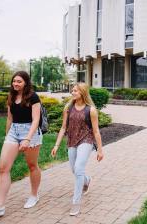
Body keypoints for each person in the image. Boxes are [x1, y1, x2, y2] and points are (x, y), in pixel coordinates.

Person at [0, 71, 43, 218]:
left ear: (26, 83)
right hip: (14, 132)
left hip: (30, 131)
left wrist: (27, 139)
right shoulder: (11, 96)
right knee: (3, 168)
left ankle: (34, 195)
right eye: (14, 81)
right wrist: (7, 135)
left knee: (32, 165)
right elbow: (9, 118)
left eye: (19, 81)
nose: (16, 84)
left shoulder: (33, 97)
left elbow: (36, 119)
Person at [51, 83, 104, 216]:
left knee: (79, 168)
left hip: (86, 141)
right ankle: (87, 180)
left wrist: (100, 150)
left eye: (75, 91)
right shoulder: (68, 108)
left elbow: (96, 131)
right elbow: (63, 128)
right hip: (72, 141)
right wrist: (56, 145)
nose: (72, 93)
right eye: (72, 90)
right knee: (74, 169)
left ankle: (76, 202)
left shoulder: (90, 110)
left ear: (83, 93)